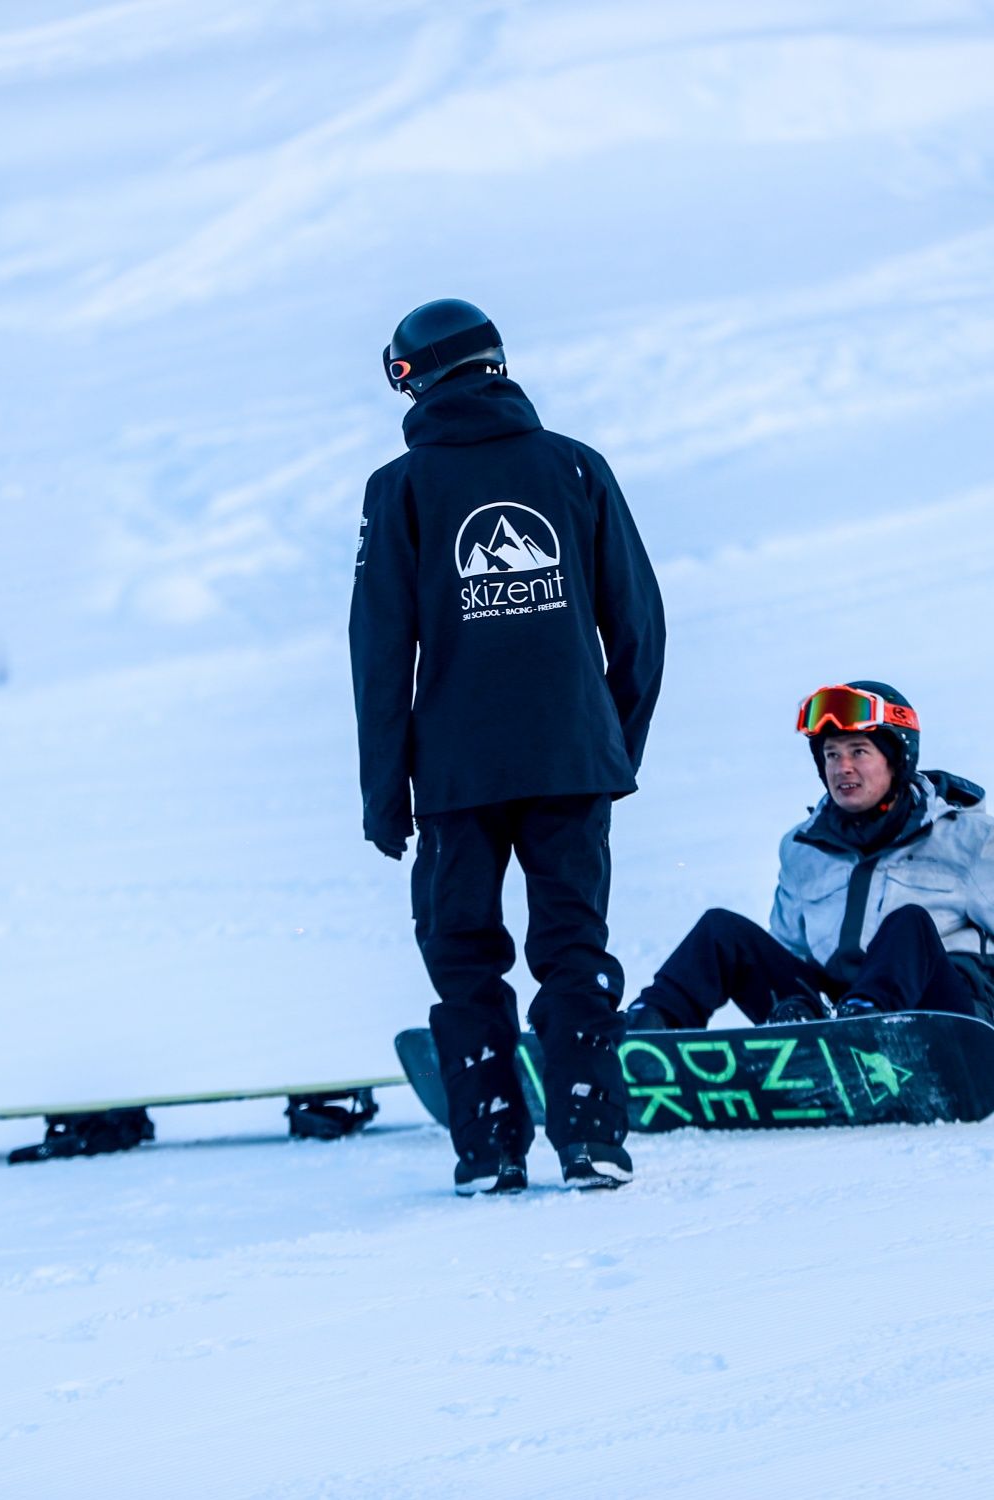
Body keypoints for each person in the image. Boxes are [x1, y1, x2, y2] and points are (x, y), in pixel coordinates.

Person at [350, 298, 666, 1194]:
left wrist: (385, 794)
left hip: (455, 776)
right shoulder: (576, 466)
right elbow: (638, 627)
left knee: (464, 958)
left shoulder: (400, 489)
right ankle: (592, 1142)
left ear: (416, 375)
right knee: (573, 951)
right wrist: (610, 750)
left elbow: (380, 657)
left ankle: (491, 1152)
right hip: (572, 761)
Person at [622, 681, 994, 1092]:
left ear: (896, 758)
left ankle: (860, 1028)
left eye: (859, 751)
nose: (843, 768)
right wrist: (793, 1004)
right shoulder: (803, 850)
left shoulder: (966, 840)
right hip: (835, 1017)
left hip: (946, 1024)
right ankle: (643, 1044)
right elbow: (789, 956)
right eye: (831, 754)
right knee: (720, 931)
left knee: (908, 924)